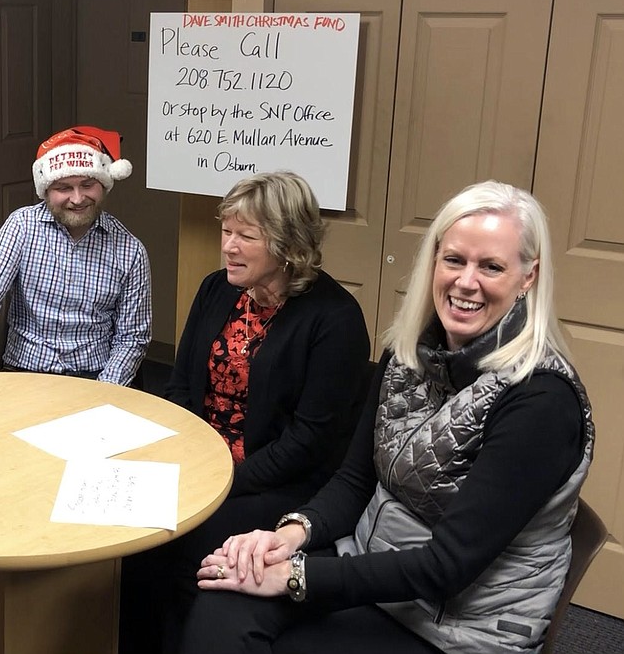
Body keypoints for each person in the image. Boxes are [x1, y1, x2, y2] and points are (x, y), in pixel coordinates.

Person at [182, 181, 595, 654]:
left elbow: (446, 566)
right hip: (373, 574)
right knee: (223, 594)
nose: (466, 282)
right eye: (454, 260)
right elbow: (355, 480)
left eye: (492, 267)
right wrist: (290, 535)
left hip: (456, 626)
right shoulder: (406, 355)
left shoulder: (541, 401)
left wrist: (296, 574)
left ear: (528, 278)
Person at [121, 171, 370, 653]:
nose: (228, 247)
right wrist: (177, 457)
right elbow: (180, 387)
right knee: (132, 535)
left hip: (274, 480)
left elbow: (307, 444)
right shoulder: (218, 289)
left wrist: (217, 481)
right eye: (226, 231)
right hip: (200, 463)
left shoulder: (335, 320)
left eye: (246, 236)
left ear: (288, 244)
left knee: (180, 544)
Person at [0, 125, 152, 386]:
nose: (78, 198)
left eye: (87, 184)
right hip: (24, 373)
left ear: (103, 185)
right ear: (46, 190)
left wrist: (106, 395)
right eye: (64, 187)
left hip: (94, 378)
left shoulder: (131, 250)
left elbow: (132, 337)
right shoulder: (22, 227)